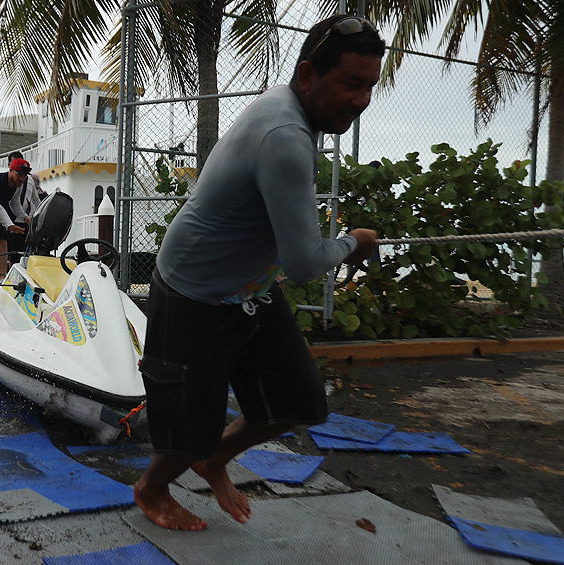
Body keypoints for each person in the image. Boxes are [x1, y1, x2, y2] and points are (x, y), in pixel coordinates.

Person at [133, 14, 384, 531]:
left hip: (251, 289)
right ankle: (151, 489)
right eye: (351, 84)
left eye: (369, 87)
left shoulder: (289, 106)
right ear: (309, 75)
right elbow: (306, 263)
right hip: (194, 293)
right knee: (189, 426)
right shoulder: (285, 137)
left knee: (297, 402)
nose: (360, 100)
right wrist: (353, 242)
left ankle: (215, 459)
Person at [0, 157, 35, 282]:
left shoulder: (18, 185)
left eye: (24, 176)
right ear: (10, 170)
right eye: (19, 175)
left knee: (3, 243)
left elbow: (14, 203)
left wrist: (25, 217)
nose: (21, 179)